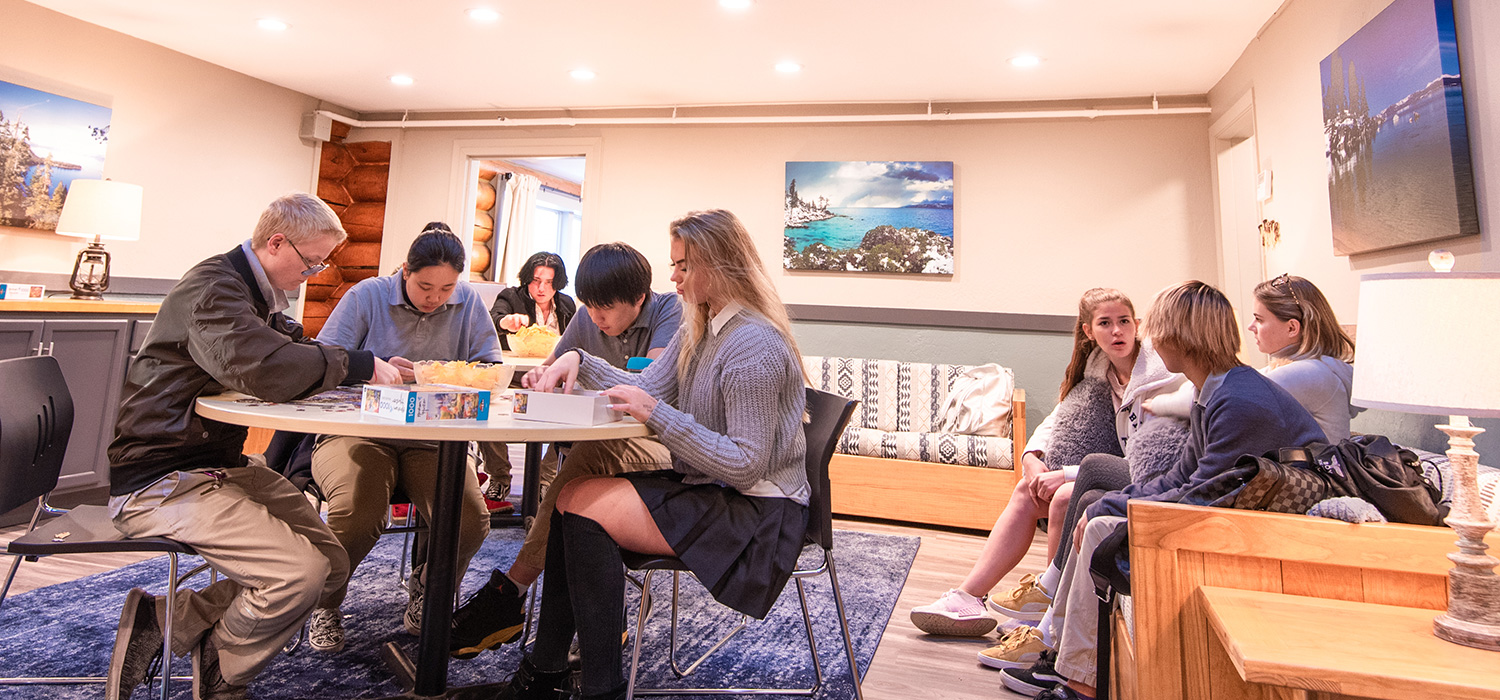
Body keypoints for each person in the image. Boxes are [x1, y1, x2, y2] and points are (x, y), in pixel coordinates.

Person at [475, 209, 809, 700]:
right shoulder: (705, 326)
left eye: (683, 266)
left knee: (583, 509)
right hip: (719, 489)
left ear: (718, 266)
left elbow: (746, 463)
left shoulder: (752, 344)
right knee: (571, 499)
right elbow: (643, 385)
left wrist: (658, 414)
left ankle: (596, 686)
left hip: (759, 512)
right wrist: (578, 359)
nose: (671, 276)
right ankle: (545, 674)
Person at [104, 193, 402, 700]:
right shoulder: (213, 291)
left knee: (331, 564)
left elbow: (289, 350)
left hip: (214, 464)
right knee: (298, 575)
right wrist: (356, 364)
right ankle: (223, 673)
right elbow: (264, 368)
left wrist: (364, 363)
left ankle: (168, 618)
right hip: (160, 479)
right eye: (312, 261)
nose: (316, 271)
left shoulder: (250, 291)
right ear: (276, 242)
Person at [1003, 281, 1325, 700]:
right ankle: (1062, 655)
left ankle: (1079, 681)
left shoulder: (1240, 401)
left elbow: (1201, 493)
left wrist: (1112, 511)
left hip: (1263, 533)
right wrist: (1111, 502)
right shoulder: (1217, 391)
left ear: (1181, 337)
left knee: (1102, 526)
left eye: (1157, 329)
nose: (1151, 340)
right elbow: (1181, 477)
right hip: (1238, 513)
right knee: (1098, 514)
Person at [909, 289, 1187, 667]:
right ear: (1089, 331)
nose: (1117, 331)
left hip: (1141, 476)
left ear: (1137, 325)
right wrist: (1032, 457)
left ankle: (1048, 614)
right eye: (1105, 324)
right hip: (1106, 470)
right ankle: (968, 598)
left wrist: (1066, 475)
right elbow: (1059, 419)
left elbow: (1149, 458)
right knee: (1028, 489)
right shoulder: (1096, 372)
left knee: (1062, 497)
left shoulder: (1163, 376)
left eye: (1124, 321)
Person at [448, 241, 682, 659]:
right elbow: (555, 365)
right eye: (589, 307)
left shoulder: (670, 312)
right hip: (605, 444)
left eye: (605, 310)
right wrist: (543, 377)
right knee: (578, 482)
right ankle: (596, 615)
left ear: (640, 298)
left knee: (588, 466)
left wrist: (582, 366)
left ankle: (511, 593)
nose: (595, 319)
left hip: (668, 447)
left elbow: (651, 391)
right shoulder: (591, 316)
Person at [305, 222, 498, 652]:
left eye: (447, 289)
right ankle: (324, 602)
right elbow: (322, 363)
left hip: (434, 437)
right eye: (426, 286)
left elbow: (489, 370)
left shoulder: (468, 304)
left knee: (469, 519)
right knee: (358, 510)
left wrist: (438, 378)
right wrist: (368, 365)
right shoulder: (366, 296)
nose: (435, 298)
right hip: (357, 432)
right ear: (405, 271)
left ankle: (429, 584)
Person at [483, 252, 577, 503]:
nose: (542, 288)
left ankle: (544, 479)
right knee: (487, 409)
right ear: (527, 280)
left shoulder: (567, 305)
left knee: (572, 410)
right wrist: (506, 321)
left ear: (558, 283)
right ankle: (500, 477)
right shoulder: (511, 297)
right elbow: (493, 319)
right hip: (515, 375)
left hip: (550, 376)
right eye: (536, 281)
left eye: (549, 282)